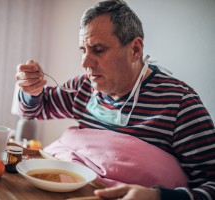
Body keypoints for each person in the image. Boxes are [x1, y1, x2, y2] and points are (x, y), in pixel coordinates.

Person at [15, 0, 215, 200]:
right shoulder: (83, 86)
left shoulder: (180, 104)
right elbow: (35, 110)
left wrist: (158, 197)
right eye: (83, 50)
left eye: (98, 50)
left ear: (135, 50)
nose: (85, 63)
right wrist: (31, 90)